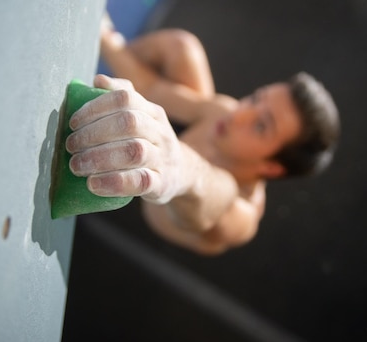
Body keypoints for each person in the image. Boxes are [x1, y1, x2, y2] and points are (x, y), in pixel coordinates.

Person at [65, 17, 340, 255]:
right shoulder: (224, 112)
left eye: (260, 126)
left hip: (150, 212)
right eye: (257, 98)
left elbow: (217, 195)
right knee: (183, 46)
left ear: (271, 166)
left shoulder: (244, 217)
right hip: (175, 135)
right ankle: (96, 66)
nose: (240, 113)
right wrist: (103, 36)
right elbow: (154, 89)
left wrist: (180, 168)